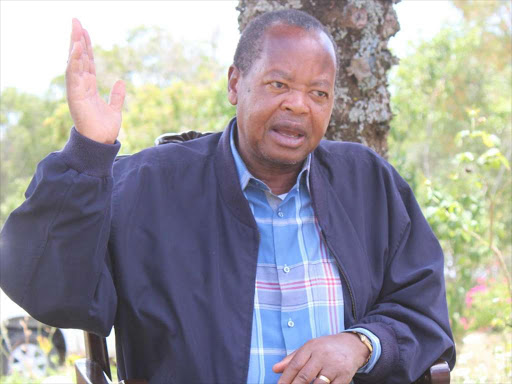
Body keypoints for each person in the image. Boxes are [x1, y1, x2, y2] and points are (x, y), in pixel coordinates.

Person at [0, 9, 455, 384]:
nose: (299, 105)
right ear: (236, 83)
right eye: (279, 84)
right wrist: (88, 153)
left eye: (319, 92)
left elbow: (424, 316)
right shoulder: (147, 187)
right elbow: (48, 290)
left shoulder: (368, 184)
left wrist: (360, 344)